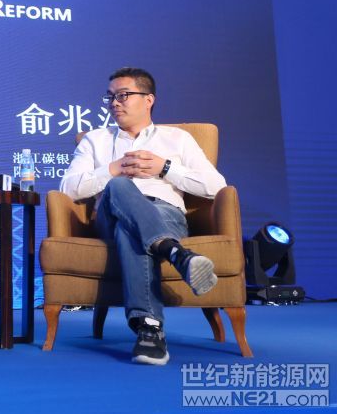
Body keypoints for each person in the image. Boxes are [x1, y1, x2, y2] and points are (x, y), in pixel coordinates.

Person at [60, 67, 226, 366]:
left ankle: (149, 329)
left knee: (130, 231)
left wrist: (166, 168)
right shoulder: (95, 140)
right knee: (119, 186)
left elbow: (216, 186)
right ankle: (175, 253)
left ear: (148, 99)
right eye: (110, 97)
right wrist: (113, 169)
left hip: (165, 213)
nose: (114, 103)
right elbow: (68, 189)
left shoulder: (178, 139)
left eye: (123, 95)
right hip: (110, 215)